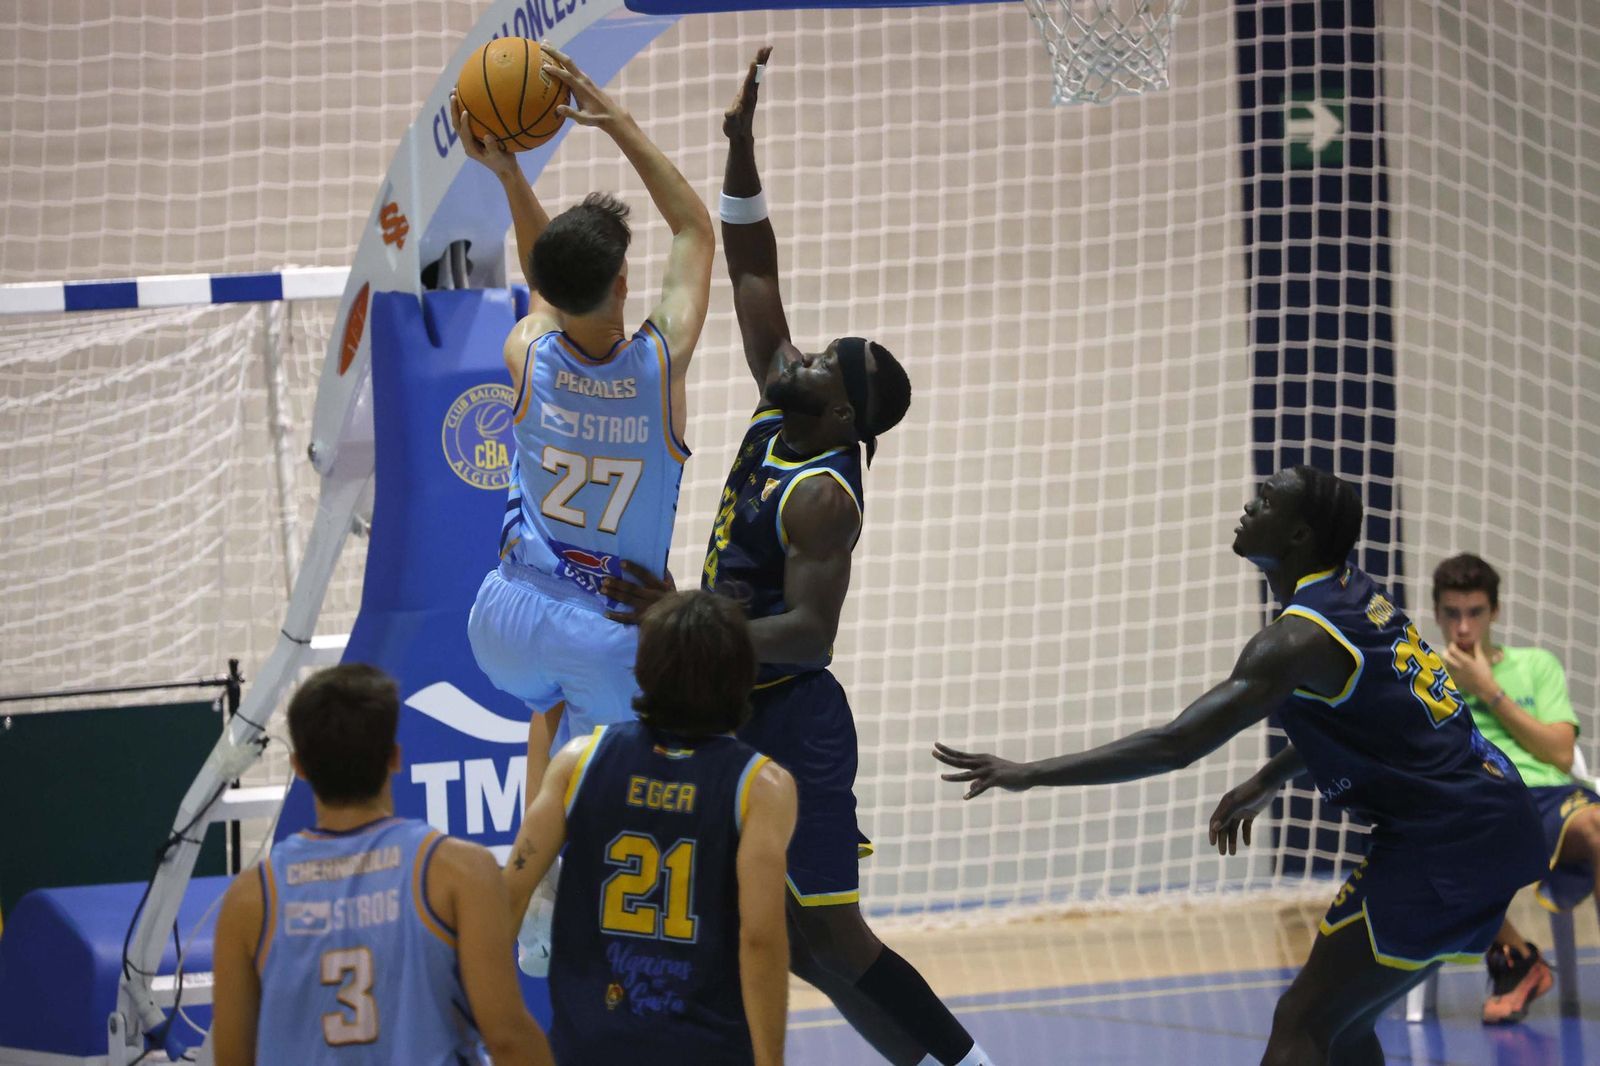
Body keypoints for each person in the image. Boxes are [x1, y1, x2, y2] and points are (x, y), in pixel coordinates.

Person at [603, 49, 991, 1066]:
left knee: (829, 933)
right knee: (769, 934)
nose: (798, 354)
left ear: (845, 413)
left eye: (822, 364)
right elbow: (753, 264)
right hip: (727, 695)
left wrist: (686, 621)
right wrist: (740, 148)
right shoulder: (788, 398)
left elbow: (810, 635)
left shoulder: (822, 496)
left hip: (789, 713)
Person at [934, 466, 1547, 1066]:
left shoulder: (1295, 641)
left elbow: (1175, 744)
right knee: (1343, 1021)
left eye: (1267, 501)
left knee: (1304, 1020)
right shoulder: (1358, 596)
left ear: (1299, 535)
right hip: (1497, 816)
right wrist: (1266, 780)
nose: (1251, 507)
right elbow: (1378, 726)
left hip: (1445, 841)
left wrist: (1030, 771)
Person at [454, 45, 714, 971]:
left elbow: (544, 276)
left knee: (549, 712)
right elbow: (696, 233)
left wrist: (510, 168)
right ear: (619, 289)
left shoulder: (528, 350)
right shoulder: (658, 365)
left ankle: (529, 887)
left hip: (506, 618)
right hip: (614, 634)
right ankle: (601, 923)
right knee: (639, 774)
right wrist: (621, 127)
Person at [502, 590, 796, 1065]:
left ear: (642, 670)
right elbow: (760, 938)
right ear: (742, 675)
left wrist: (499, 1030)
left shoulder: (578, 762)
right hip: (705, 1048)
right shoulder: (762, 786)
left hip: (590, 1045)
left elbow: (508, 897)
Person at [210, 664, 551, 1066]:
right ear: (394, 757)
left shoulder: (249, 900)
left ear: (298, 766)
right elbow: (508, 1038)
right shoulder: (460, 872)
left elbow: (232, 1058)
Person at [1430, 552, 1599, 1024]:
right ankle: (1518, 956)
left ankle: (1516, 963)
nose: (1463, 627)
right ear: (1437, 613)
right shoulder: (1423, 677)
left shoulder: (1535, 666)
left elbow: (1562, 754)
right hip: (1473, 805)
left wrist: (1488, 689)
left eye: (1476, 612)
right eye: (1452, 613)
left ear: (1495, 613)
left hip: (1547, 797)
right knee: (1420, 847)